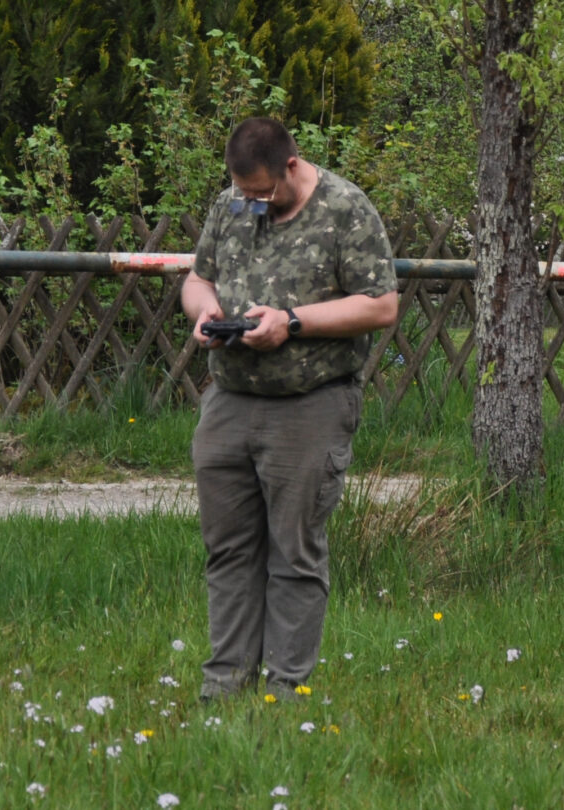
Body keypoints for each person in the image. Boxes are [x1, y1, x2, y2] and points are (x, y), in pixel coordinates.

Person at [181, 117, 399, 701]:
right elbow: (197, 278)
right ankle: (224, 690)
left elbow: (381, 306)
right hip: (229, 401)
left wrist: (292, 323)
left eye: (261, 192)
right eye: (241, 191)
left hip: (311, 405)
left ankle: (285, 694)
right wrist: (204, 313)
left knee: (293, 553)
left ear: (292, 168)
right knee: (227, 550)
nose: (250, 202)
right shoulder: (230, 203)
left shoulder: (346, 209)